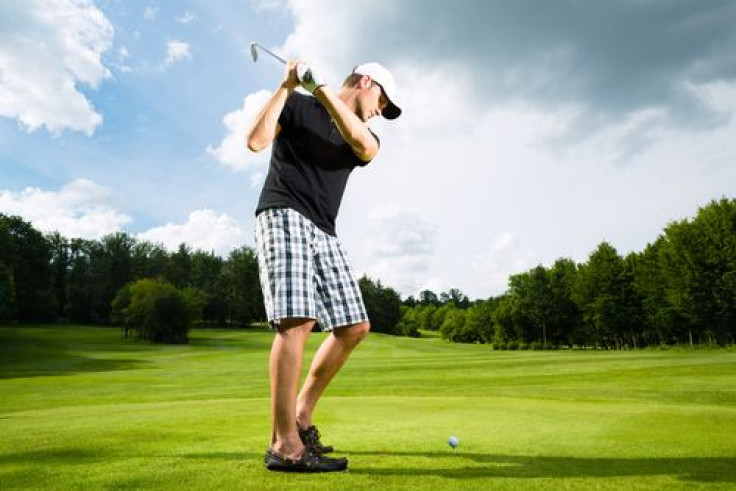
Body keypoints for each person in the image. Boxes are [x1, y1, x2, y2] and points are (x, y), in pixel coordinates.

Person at [246, 59, 401, 472]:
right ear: (365, 81)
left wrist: (320, 89)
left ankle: (301, 416)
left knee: (354, 326)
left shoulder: (364, 135)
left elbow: (364, 146)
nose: (380, 110)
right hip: (283, 212)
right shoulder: (297, 106)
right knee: (297, 322)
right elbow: (256, 142)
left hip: (324, 230)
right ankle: (284, 445)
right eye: (381, 100)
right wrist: (286, 87)